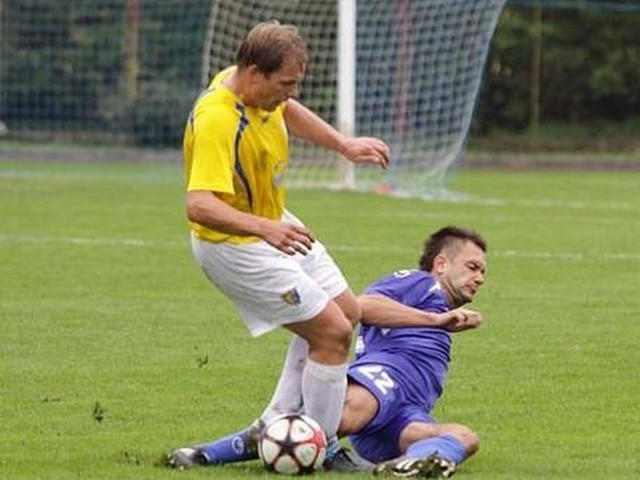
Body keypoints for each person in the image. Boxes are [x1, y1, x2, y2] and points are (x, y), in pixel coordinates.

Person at [170, 20, 390, 472]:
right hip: (234, 244)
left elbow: (286, 110)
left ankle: (270, 426)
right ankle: (324, 446)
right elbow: (198, 205)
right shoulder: (218, 118)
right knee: (333, 333)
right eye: (285, 83)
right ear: (254, 72)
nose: (290, 93)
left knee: (347, 312)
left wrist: (342, 144)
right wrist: (264, 230)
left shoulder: (258, 92)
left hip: (272, 225)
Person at [167, 226, 488, 479]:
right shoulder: (421, 284)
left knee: (464, 437)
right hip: (381, 383)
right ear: (441, 264)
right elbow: (360, 307)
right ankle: (208, 453)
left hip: (406, 411)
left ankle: (411, 466)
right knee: (333, 419)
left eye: (483, 272)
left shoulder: (440, 308)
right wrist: (434, 320)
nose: (480, 278)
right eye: (473, 267)